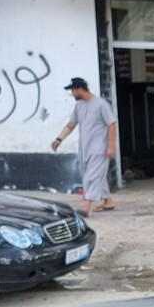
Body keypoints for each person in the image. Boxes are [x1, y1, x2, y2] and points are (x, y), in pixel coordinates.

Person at [51, 78, 118, 215]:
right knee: (95, 174)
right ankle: (108, 201)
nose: (72, 94)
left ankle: (86, 206)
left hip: (100, 147)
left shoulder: (101, 104)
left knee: (91, 176)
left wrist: (111, 146)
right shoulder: (79, 106)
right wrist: (59, 139)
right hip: (85, 147)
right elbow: (71, 124)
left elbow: (112, 124)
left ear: (79, 90)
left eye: (73, 91)